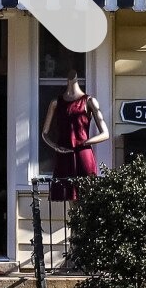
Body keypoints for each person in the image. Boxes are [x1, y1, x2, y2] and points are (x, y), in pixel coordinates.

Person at [41, 73, 109, 201]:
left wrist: (85, 142)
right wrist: (55, 146)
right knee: (70, 197)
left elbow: (105, 134)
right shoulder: (56, 102)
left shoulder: (89, 101)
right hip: (64, 155)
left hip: (83, 155)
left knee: (86, 196)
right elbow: (44, 133)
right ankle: (75, 221)